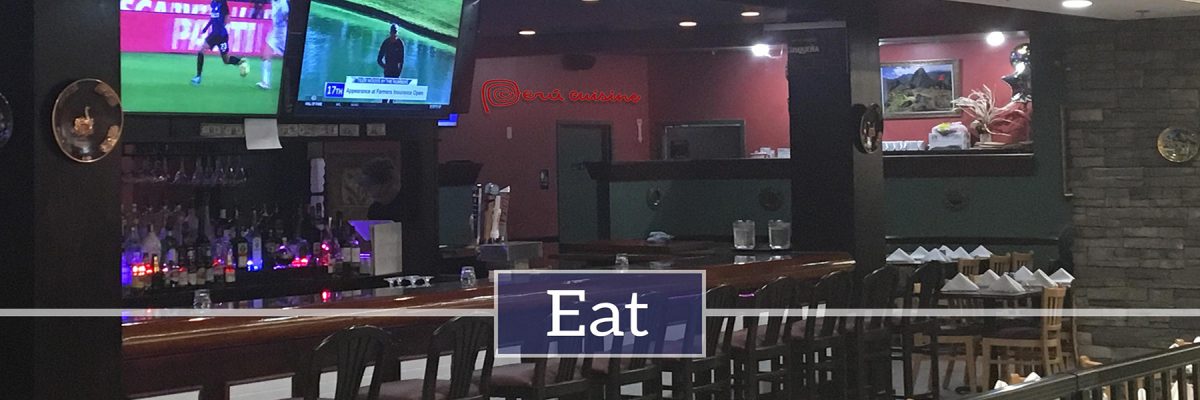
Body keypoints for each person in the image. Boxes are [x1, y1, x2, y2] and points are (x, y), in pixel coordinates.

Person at [192, 0, 249, 86]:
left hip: (222, 36)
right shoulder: (213, 3)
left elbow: (227, 18)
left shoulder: (223, 3)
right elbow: (213, 18)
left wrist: (221, 27)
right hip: (214, 35)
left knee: (226, 60)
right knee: (201, 51)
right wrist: (206, 28)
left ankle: (241, 61)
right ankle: (198, 76)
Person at [358, 158, 407, 223]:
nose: (365, 189)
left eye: (370, 184)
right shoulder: (374, 209)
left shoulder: (406, 205)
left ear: (387, 183)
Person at [256, 0, 289, 90]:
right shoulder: (274, 1)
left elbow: (287, 17)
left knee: (290, 58)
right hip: (276, 32)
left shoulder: (283, 3)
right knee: (265, 55)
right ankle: (265, 82)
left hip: (282, 33)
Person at [376, 25, 405, 103]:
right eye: (392, 32)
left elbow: (401, 61)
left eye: (395, 32)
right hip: (387, 72)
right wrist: (385, 67)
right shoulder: (386, 42)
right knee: (385, 94)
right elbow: (379, 60)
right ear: (390, 32)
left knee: (393, 95)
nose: (394, 34)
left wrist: (399, 73)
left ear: (397, 33)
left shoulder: (400, 43)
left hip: (396, 72)